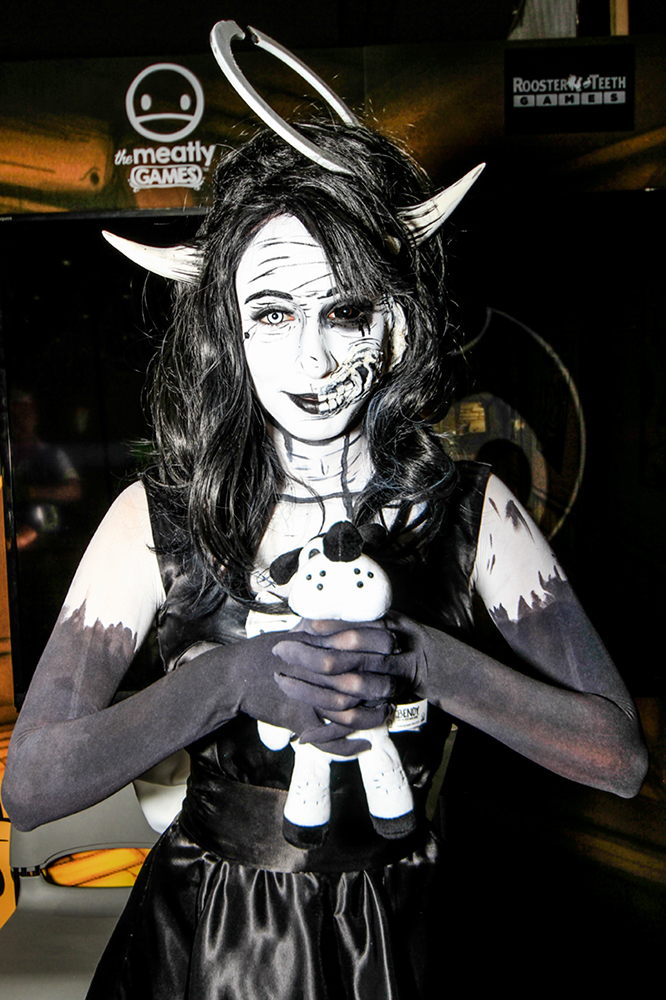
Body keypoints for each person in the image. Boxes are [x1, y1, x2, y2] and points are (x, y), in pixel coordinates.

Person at [3, 28, 647, 1000]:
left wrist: (421, 661)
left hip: (404, 936)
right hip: (210, 948)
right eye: (272, 312)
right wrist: (231, 678)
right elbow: (32, 782)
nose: (312, 356)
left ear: (395, 320)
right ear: (228, 329)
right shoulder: (157, 517)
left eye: (345, 310)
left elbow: (617, 757)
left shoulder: (472, 510)